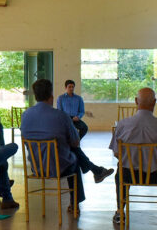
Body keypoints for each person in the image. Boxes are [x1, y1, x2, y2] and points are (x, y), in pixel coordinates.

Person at [21, 79, 112, 212]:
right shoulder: (61, 116)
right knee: (74, 157)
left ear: (35, 96)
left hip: (37, 167)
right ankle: (75, 203)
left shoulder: (25, 115)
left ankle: (97, 171)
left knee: (73, 153)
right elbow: (75, 142)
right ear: (51, 96)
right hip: (58, 167)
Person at [109, 88, 157, 227]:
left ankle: (120, 212)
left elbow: (117, 153)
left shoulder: (122, 125)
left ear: (136, 101)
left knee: (120, 171)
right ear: (154, 102)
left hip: (129, 175)